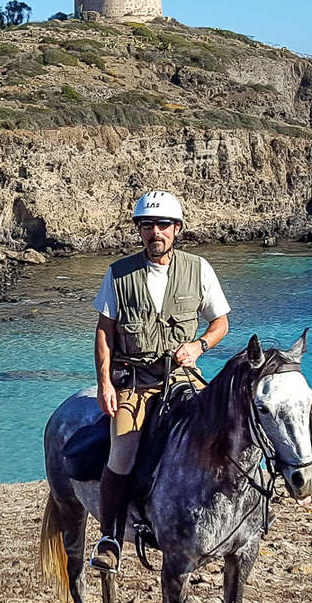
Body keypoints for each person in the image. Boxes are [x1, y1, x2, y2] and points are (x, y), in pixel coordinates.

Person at [89, 191, 232, 572]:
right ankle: (109, 538)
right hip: (134, 382)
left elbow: (221, 323)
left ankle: (236, 514)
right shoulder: (118, 274)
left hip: (183, 376)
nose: (156, 232)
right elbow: (104, 333)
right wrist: (105, 383)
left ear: (178, 229)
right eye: (147, 225)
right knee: (122, 452)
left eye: (163, 225)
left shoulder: (199, 269)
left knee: (221, 432)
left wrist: (200, 346)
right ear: (139, 231)